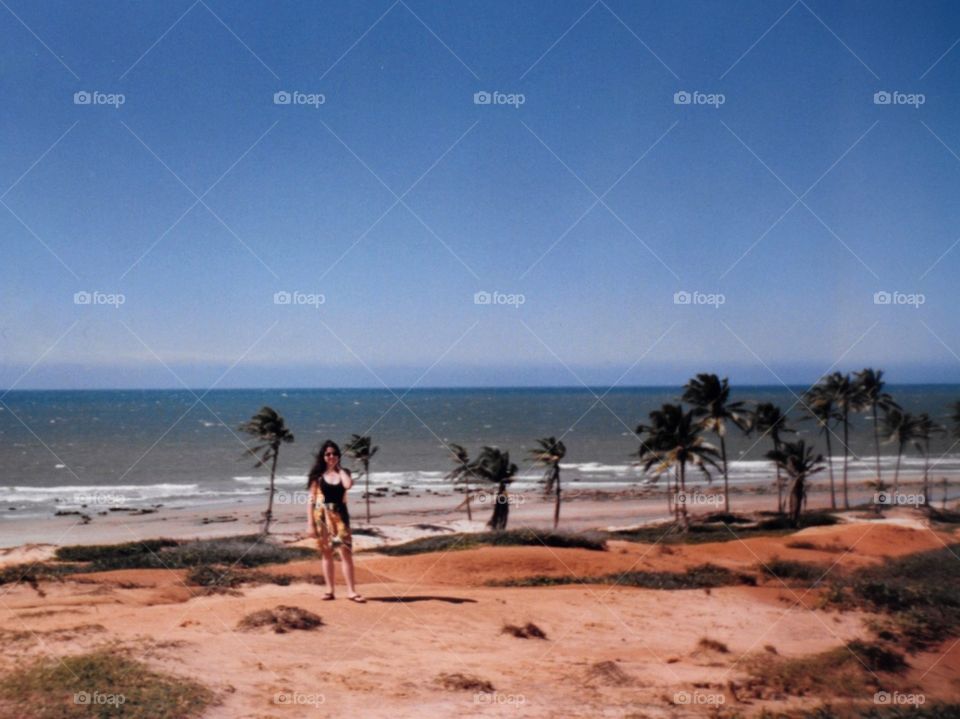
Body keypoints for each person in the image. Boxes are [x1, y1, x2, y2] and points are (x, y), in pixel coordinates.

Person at [306, 440, 365, 602]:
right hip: (322, 516)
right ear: (323, 456)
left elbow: (347, 485)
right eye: (328, 454)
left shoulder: (344, 473)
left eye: (334, 454)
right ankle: (329, 590)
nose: (331, 456)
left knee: (345, 553)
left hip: (340, 517)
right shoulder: (317, 476)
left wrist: (339, 468)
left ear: (338, 456)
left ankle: (351, 591)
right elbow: (311, 501)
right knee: (326, 553)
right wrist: (310, 524)